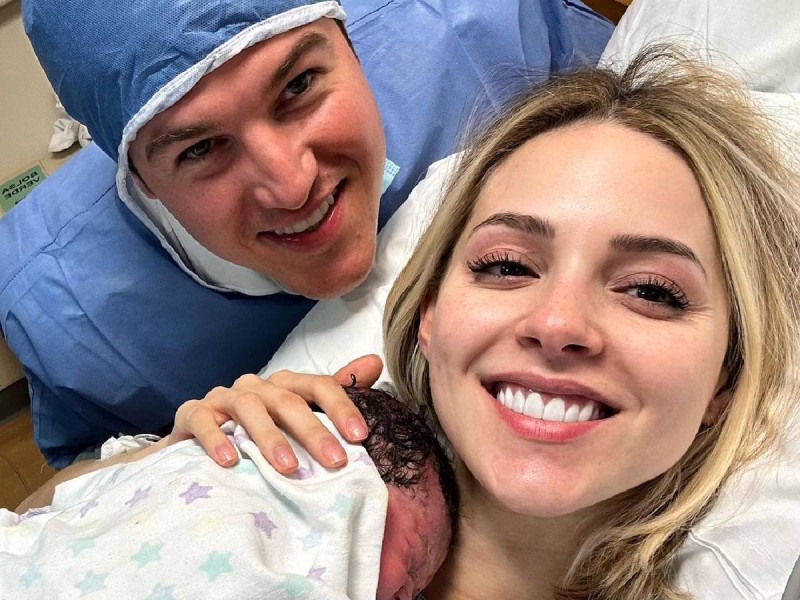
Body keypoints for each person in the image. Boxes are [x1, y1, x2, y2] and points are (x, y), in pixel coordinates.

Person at [161, 46, 800, 598]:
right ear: (429, 314)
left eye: (651, 291)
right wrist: (163, 471)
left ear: (724, 378)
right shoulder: (279, 490)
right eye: (507, 266)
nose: (558, 322)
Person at [0, 0, 613, 467]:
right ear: (140, 181)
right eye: (202, 148)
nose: (293, 187)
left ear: (349, 43)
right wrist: (163, 456)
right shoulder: (61, 308)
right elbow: (67, 500)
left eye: (298, 87)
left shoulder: (479, 31)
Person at [1, 387, 457, 600]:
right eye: (412, 562)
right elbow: (31, 522)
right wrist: (163, 449)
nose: (406, 596)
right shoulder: (202, 462)